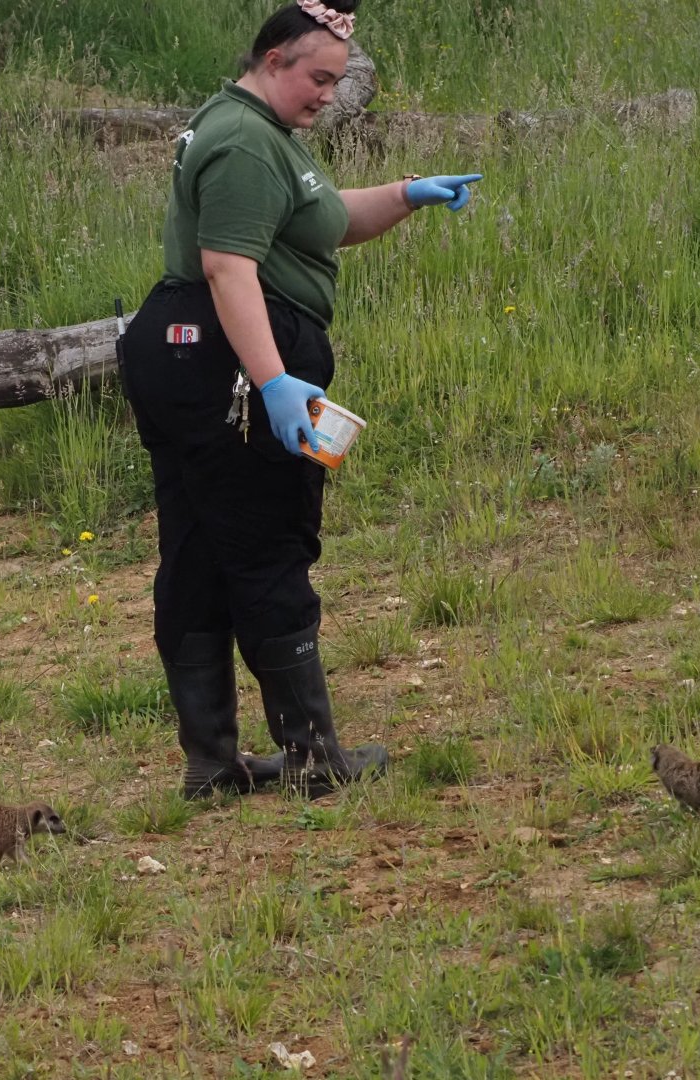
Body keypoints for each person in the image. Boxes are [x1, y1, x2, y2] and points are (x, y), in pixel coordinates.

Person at [119, 0, 482, 798]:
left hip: (183, 354)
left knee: (201, 548)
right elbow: (228, 268)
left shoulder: (250, 127)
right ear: (275, 57)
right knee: (268, 541)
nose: (327, 95)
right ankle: (313, 759)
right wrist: (273, 379)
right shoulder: (248, 142)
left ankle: (213, 764)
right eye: (318, 78)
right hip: (227, 363)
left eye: (338, 81)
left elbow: (321, 220)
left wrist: (406, 193)